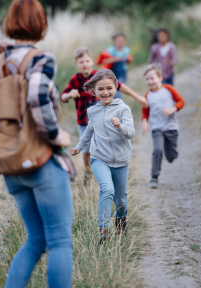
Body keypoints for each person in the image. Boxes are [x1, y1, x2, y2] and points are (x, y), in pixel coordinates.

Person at [0, 0, 73, 288]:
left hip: (12, 161)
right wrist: (56, 136)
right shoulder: (41, 58)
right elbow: (37, 96)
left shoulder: (1, 61)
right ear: (40, 24)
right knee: (60, 241)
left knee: (36, 239)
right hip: (41, 160)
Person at [61, 47, 147, 186]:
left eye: (87, 61)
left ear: (92, 61)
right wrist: (69, 94)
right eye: (81, 62)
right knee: (87, 148)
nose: (84, 64)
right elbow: (63, 96)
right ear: (76, 64)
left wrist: (137, 97)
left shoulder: (99, 76)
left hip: (104, 120)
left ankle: (108, 170)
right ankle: (88, 172)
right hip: (84, 121)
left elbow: (120, 86)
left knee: (104, 143)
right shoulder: (76, 80)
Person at [70, 69, 135, 241]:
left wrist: (120, 126)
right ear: (93, 91)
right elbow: (89, 132)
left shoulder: (123, 109)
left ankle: (121, 221)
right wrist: (79, 147)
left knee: (120, 200)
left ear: (115, 88)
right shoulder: (92, 111)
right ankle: (103, 230)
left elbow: (131, 133)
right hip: (99, 158)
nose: (105, 92)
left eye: (109, 88)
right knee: (107, 189)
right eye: (100, 89)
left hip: (121, 160)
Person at [141, 63, 185, 188]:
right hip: (156, 127)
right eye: (147, 79)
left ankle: (171, 155)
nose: (149, 81)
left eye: (152, 78)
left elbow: (181, 101)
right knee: (158, 150)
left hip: (171, 127)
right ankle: (154, 177)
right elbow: (145, 112)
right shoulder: (147, 96)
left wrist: (173, 109)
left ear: (160, 77)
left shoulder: (169, 89)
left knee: (171, 156)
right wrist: (145, 123)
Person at [96, 33, 133, 97]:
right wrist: (115, 59)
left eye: (122, 41)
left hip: (122, 72)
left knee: (119, 88)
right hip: (112, 72)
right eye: (118, 41)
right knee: (112, 88)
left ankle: (117, 103)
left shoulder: (125, 50)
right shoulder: (111, 50)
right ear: (114, 42)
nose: (120, 42)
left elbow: (130, 59)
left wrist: (129, 59)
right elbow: (103, 61)